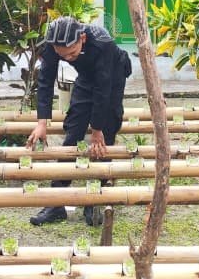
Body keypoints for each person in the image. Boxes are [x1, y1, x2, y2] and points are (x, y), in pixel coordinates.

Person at [27, 17, 132, 227]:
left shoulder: (103, 44)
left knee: (104, 141)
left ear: (82, 38)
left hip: (112, 75)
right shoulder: (52, 44)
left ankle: (94, 201)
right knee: (73, 133)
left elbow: (103, 89)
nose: (68, 58)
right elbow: (45, 81)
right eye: (63, 56)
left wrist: (97, 129)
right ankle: (56, 204)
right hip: (85, 77)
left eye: (72, 54)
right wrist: (41, 123)